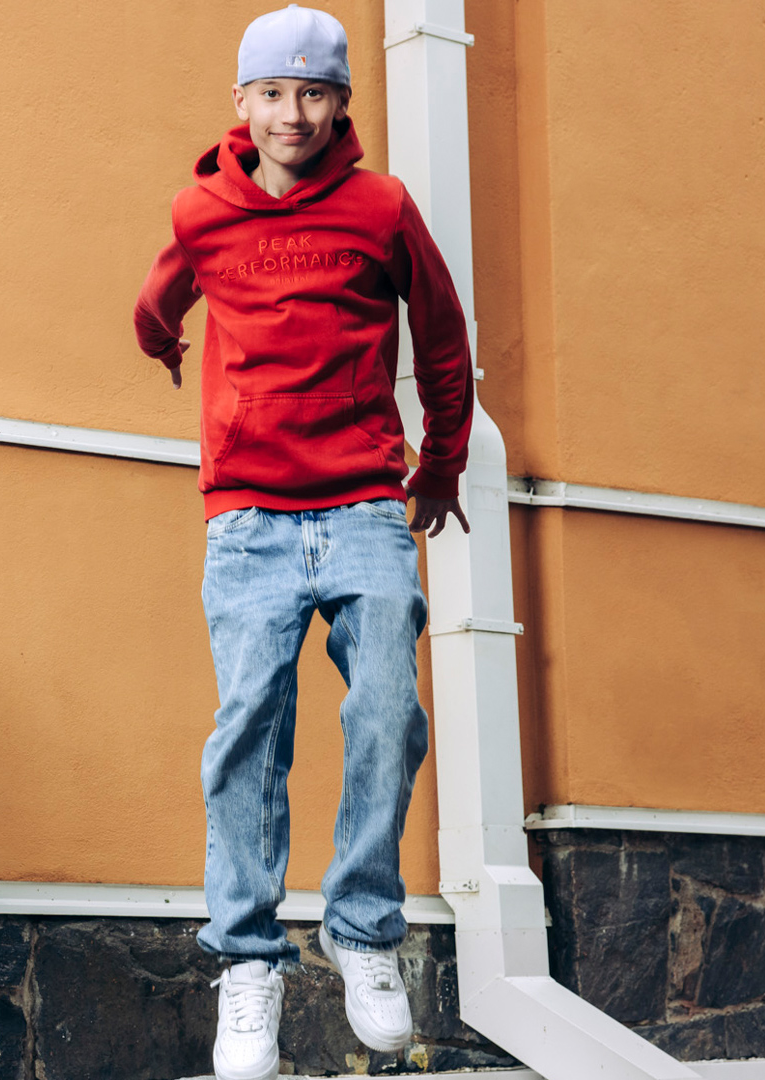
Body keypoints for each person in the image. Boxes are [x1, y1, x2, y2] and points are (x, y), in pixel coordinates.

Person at [131, 6, 475, 1078]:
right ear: (242, 104)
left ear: (340, 106)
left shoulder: (379, 207)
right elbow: (155, 298)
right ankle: (249, 961)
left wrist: (443, 462)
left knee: (387, 706)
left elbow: (444, 332)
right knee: (248, 726)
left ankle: (364, 930)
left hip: (366, 501)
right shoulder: (203, 214)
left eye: (314, 93)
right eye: (273, 94)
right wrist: (164, 337)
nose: (293, 113)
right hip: (246, 515)